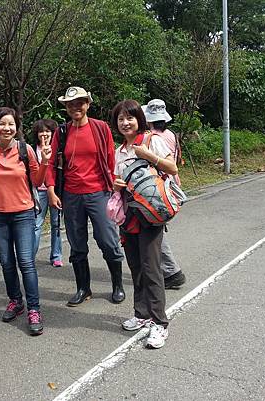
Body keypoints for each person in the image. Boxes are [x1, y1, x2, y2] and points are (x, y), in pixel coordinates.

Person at [0, 107, 50, 336]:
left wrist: (45, 161)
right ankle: (16, 300)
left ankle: (34, 309)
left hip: (23, 213)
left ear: (16, 127)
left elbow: (37, 180)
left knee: (26, 261)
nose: (7, 128)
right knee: (6, 262)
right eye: (2, 124)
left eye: (11, 124)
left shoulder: (25, 150)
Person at [46, 86, 126, 306]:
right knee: (77, 243)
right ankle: (84, 288)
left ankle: (117, 285)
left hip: (99, 192)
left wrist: (115, 188)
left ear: (88, 104)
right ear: (66, 108)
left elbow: (111, 160)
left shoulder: (100, 128)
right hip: (71, 195)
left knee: (108, 240)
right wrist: (51, 190)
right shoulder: (61, 132)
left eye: (79, 103)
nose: (75, 107)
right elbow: (52, 164)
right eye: (70, 104)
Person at [112, 99, 178, 349]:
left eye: (130, 117)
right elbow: (118, 179)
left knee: (152, 268)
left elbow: (171, 168)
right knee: (136, 266)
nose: (125, 122)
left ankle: (160, 323)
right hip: (128, 214)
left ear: (139, 119)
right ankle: (142, 314)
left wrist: (147, 155)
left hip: (150, 212)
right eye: (120, 119)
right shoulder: (120, 151)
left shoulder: (152, 140)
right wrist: (116, 184)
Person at [142, 99, 186, 289]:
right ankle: (167, 270)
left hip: (159, 189)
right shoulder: (170, 134)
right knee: (157, 229)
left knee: (155, 231)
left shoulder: (153, 138)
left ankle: (171, 272)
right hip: (171, 186)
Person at [30, 119, 63, 267]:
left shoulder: (58, 148)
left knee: (56, 225)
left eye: (47, 131)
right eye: (41, 131)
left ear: (53, 133)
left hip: (55, 191)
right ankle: (30, 257)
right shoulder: (31, 150)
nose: (44, 134)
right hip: (39, 193)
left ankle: (56, 256)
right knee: (36, 225)